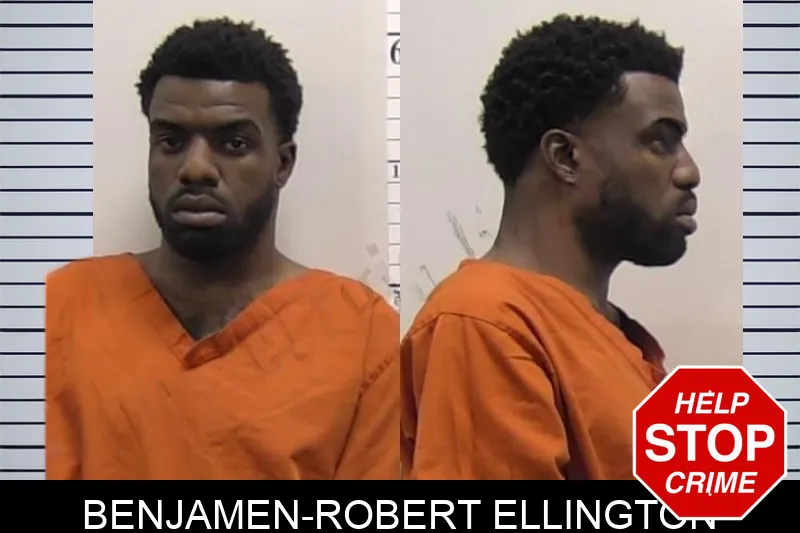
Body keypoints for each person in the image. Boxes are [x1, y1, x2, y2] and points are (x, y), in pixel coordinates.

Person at [45, 18, 399, 480]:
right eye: (171, 141)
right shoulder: (60, 307)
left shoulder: (363, 337)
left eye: (233, 143)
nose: (195, 168)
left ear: (283, 163)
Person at [401, 15, 700, 480]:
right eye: (660, 142)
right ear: (565, 157)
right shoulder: (486, 324)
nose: (688, 171)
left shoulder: (608, 335)